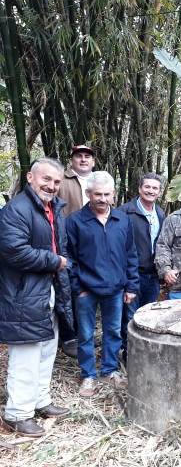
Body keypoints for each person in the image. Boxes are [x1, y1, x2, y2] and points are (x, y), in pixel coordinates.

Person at [0, 158, 73, 437]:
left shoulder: (53, 208)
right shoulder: (17, 209)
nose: (51, 186)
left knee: (47, 349)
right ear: (30, 177)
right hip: (23, 292)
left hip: (47, 288)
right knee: (26, 354)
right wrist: (55, 261)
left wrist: (58, 267)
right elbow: (14, 251)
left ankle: (40, 400)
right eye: (46, 179)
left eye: (56, 182)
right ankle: (18, 413)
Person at [66, 171, 139, 397]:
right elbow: (69, 258)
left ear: (113, 195)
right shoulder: (75, 221)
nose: (102, 198)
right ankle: (88, 375)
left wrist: (131, 286)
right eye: (97, 194)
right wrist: (78, 287)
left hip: (116, 289)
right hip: (87, 289)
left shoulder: (122, 219)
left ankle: (110, 369)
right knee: (86, 334)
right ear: (88, 194)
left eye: (107, 194)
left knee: (113, 331)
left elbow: (131, 254)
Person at [118, 173, 165, 362]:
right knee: (130, 317)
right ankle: (129, 355)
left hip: (152, 275)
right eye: (147, 187)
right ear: (139, 189)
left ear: (159, 192)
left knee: (147, 317)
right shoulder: (124, 212)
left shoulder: (160, 214)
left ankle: (143, 356)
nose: (151, 191)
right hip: (132, 274)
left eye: (155, 188)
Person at [56, 144, 96, 357]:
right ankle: (69, 336)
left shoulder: (98, 181)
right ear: (72, 160)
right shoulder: (61, 180)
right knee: (68, 288)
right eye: (79, 156)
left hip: (90, 244)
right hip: (67, 241)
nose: (83, 160)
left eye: (87, 157)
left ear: (93, 161)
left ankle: (84, 333)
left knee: (86, 287)